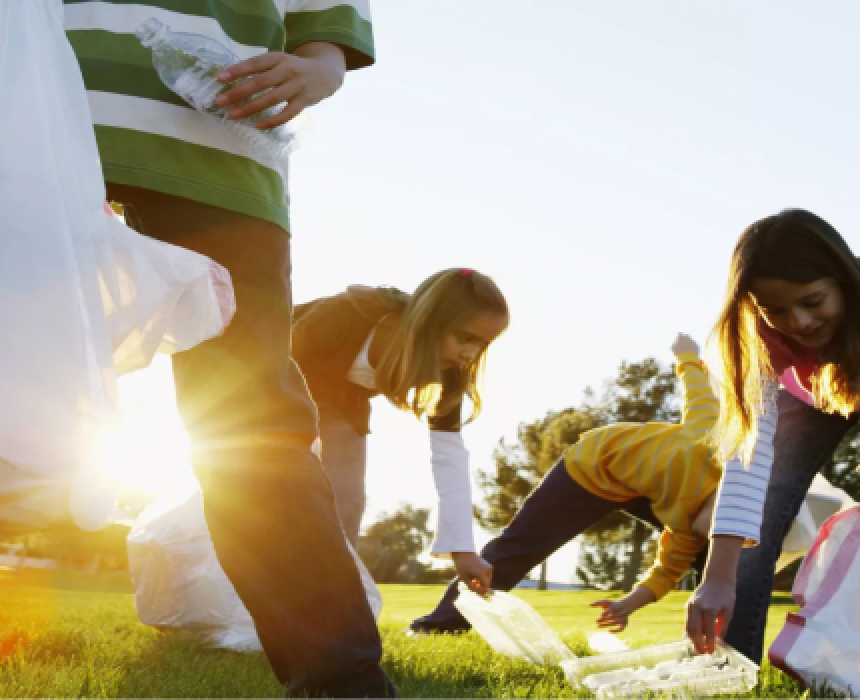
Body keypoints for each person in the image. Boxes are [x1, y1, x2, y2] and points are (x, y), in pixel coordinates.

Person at [65, 2, 393, 696]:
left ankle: (344, 687)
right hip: (52, 125)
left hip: (221, 155)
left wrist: (319, 69)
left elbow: (324, 25)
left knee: (251, 431)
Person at [685, 209, 860, 661]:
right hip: (811, 392)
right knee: (766, 506)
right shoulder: (756, 339)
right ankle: (730, 664)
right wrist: (717, 575)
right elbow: (750, 454)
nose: (798, 322)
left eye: (813, 302)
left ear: (844, 280)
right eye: (776, 310)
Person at [410, 333, 720, 634]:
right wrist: (687, 354)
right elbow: (699, 394)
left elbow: (667, 571)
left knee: (714, 562)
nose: (707, 535)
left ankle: (717, 640)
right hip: (592, 466)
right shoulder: (710, 445)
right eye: (714, 531)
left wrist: (627, 604)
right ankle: (438, 626)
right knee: (522, 544)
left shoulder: (688, 529)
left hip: (642, 490)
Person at [291, 271, 510, 593]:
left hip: (342, 400)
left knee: (347, 501)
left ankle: (326, 599)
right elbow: (272, 364)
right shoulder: (348, 313)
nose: (470, 355)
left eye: (482, 344)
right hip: (266, 380)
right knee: (269, 484)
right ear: (429, 322)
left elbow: (449, 454)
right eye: (465, 339)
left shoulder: (450, 370)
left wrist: (462, 551)